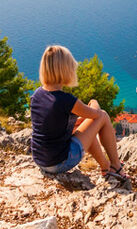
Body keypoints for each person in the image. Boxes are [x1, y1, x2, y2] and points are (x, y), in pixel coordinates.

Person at [30, 45, 128, 182]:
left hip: (41, 160)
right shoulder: (66, 100)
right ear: (65, 70)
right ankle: (116, 166)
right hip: (59, 163)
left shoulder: (37, 95)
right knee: (103, 115)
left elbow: (53, 126)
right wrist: (93, 101)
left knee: (85, 125)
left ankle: (105, 166)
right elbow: (97, 114)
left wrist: (81, 119)